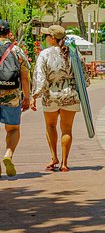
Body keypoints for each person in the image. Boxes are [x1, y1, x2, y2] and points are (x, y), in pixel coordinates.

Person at [31, 25, 86, 172]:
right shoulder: (74, 53)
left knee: (50, 126)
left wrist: (34, 95)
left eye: (46, 36)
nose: (45, 38)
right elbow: (84, 78)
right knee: (67, 129)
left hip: (51, 95)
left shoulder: (44, 54)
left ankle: (54, 157)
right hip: (70, 94)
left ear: (53, 38)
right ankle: (64, 162)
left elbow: (40, 78)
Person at [0, 20, 31, 178]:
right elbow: (25, 77)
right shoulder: (16, 50)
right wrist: (27, 97)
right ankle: (8, 154)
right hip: (11, 93)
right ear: (8, 32)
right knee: (12, 128)